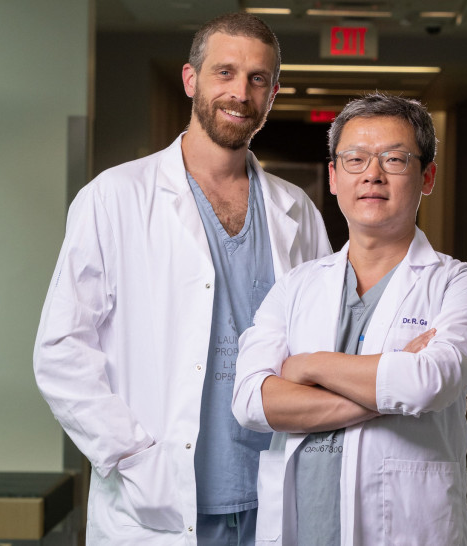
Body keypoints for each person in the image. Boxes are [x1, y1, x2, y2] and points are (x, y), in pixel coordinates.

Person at [33, 12, 330, 545]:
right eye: (225, 73)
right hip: (161, 501)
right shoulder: (115, 198)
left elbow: (322, 346)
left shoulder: (297, 212)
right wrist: (132, 457)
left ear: (273, 93)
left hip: (273, 500)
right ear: (191, 79)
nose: (240, 92)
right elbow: (60, 351)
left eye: (257, 79)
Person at [232, 93, 467, 545]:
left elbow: (427, 384)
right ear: (334, 177)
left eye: (394, 159)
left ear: (427, 176)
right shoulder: (296, 286)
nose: (372, 174)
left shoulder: (458, 286)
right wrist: (386, 389)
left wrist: (309, 366)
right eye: (354, 159)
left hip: (402, 530)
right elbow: (253, 402)